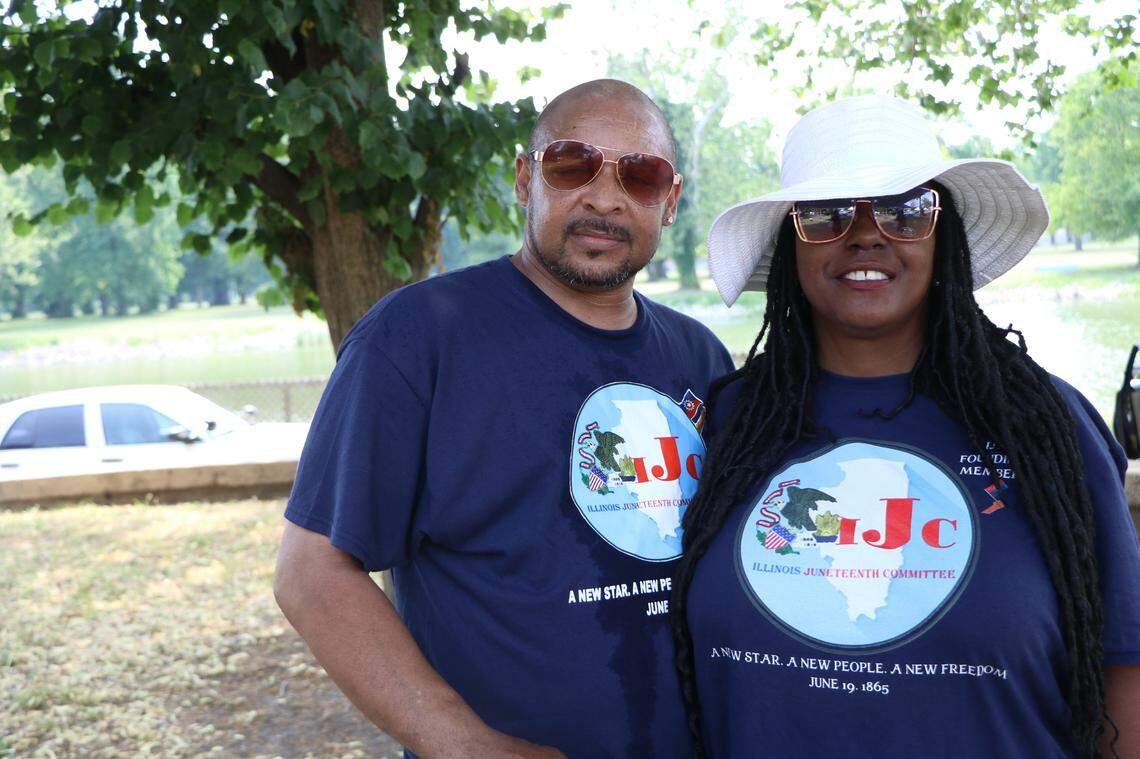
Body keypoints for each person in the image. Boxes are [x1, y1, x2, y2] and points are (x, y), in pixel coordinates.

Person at [274, 79, 733, 758]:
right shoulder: (417, 338)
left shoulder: (701, 357)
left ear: (669, 201)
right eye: (573, 164)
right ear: (525, 179)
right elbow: (312, 573)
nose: (605, 197)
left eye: (639, 175)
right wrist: (463, 743)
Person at [670, 95, 1140, 758]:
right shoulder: (729, 425)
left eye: (904, 209)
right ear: (791, 245)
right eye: (826, 214)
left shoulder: (1046, 427)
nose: (866, 233)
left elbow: (1124, 673)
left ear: (940, 235)